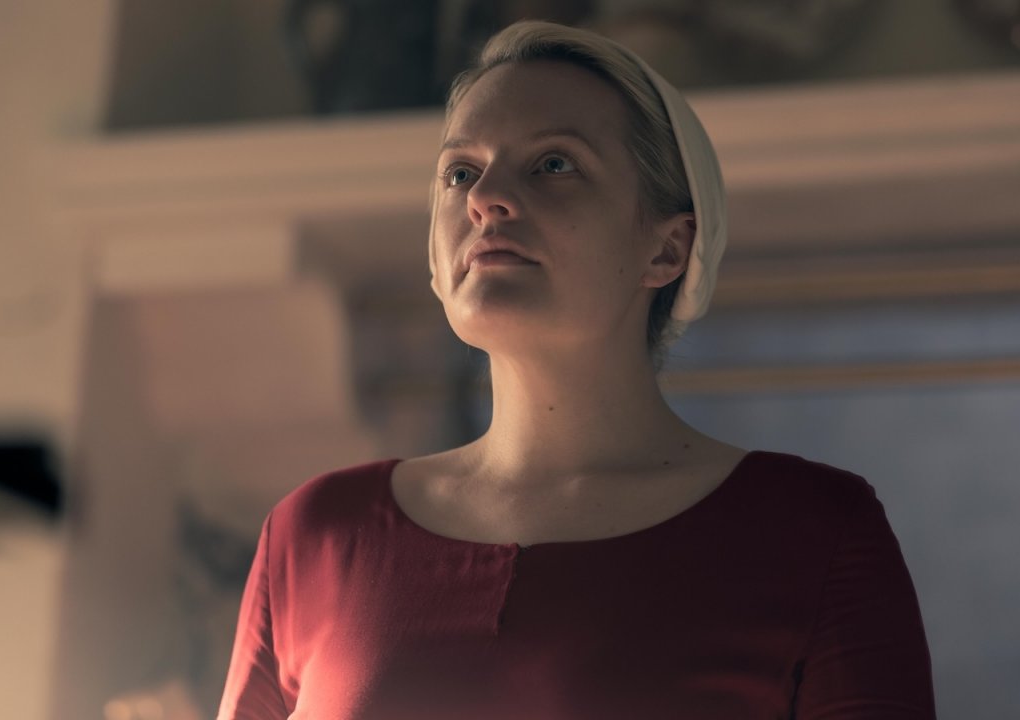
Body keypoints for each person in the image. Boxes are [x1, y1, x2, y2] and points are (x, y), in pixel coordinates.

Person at [218, 20, 935, 720]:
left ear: (667, 249)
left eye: (554, 165)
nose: (484, 198)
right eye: (461, 172)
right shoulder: (312, 537)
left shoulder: (813, 533)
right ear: (435, 261)